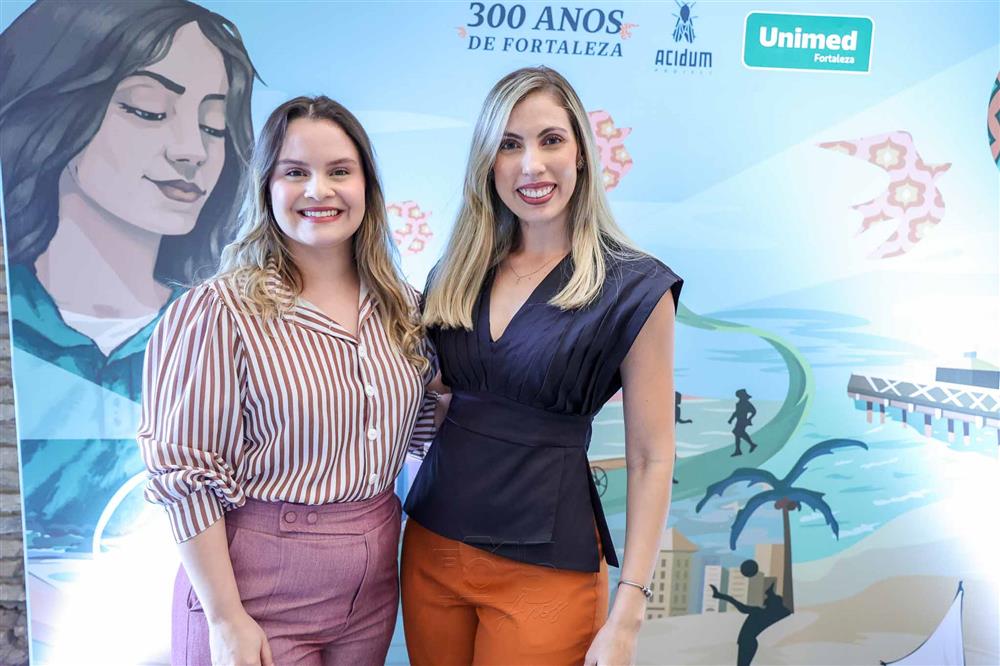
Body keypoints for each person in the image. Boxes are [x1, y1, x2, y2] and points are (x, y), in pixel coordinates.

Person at [137, 96, 437, 666]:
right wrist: (226, 619)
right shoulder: (220, 312)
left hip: (372, 587)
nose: (319, 191)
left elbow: (420, 430)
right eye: (295, 172)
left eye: (339, 171)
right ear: (266, 188)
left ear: (367, 187)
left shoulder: (404, 308)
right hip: (253, 590)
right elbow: (185, 476)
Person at [402, 66, 683, 666]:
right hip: (429, 550)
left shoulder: (636, 287)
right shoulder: (455, 273)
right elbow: (435, 402)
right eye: (509, 145)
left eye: (550, 140)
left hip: (546, 573)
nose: (531, 165)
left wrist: (629, 612)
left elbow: (651, 457)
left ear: (581, 152)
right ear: (488, 163)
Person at [0, 0, 256, 552]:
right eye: (148, 110)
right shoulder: (16, 323)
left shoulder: (222, 325)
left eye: (214, 125)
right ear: (59, 109)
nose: (192, 150)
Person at [728, 388, 758, 457]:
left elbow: (754, 411)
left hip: (743, 421)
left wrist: (749, 419)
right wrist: (731, 419)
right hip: (739, 420)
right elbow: (736, 412)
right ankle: (739, 450)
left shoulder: (747, 403)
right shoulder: (738, 404)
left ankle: (750, 445)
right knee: (738, 434)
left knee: (737, 432)